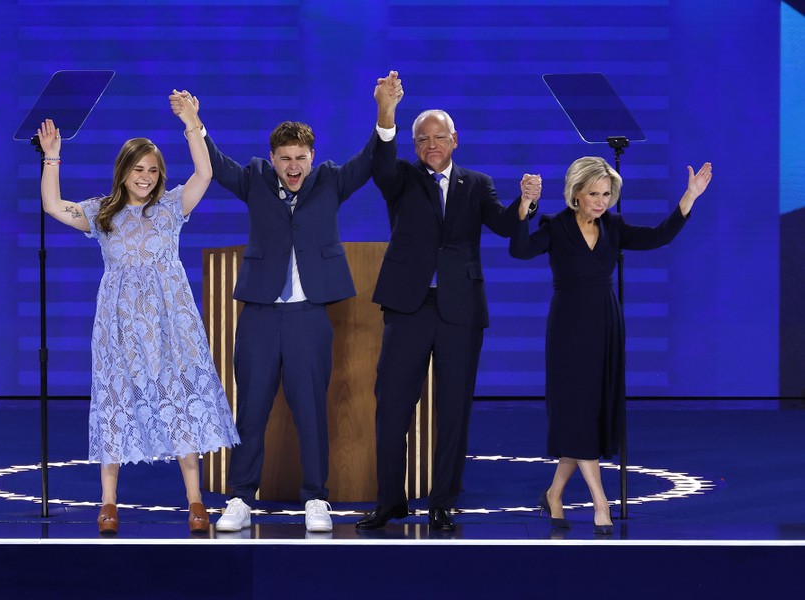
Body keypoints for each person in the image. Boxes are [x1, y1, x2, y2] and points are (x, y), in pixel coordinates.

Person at [170, 75, 399, 533]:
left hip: (308, 316)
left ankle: (316, 498)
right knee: (251, 408)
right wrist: (194, 122)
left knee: (311, 409)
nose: (293, 166)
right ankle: (239, 497)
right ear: (273, 158)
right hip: (258, 314)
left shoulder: (331, 180)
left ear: (311, 159)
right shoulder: (255, 178)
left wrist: (385, 112)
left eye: (300, 158)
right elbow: (216, 163)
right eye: (285, 158)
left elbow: (374, 160)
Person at [37, 90, 240, 535]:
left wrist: (192, 124)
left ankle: (196, 502)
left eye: (152, 170)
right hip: (119, 325)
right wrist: (52, 157)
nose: (145, 177)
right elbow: (53, 206)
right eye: (138, 169)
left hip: (172, 324)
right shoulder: (103, 213)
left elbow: (205, 172)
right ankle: (108, 504)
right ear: (123, 172)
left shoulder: (172, 208)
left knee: (179, 402)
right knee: (116, 403)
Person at [356, 74, 540, 531]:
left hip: (460, 310)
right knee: (392, 405)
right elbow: (381, 160)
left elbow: (502, 223)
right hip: (409, 306)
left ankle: (442, 502)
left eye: (440, 137)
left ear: (455, 140)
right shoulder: (400, 178)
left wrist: (525, 206)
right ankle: (391, 501)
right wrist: (387, 110)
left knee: (454, 409)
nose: (431, 144)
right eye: (423, 139)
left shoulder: (476, 184)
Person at [509, 156, 713, 533]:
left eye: (606, 194)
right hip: (569, 330)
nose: (601, 202)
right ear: (576, 194)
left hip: (606, 325)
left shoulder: (614, 227)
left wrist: (690, 196)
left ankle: (555, 494)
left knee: (587, 416)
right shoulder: (555, 228)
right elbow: (519, 251)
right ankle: (600, 504)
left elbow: (658, 237)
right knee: (577, 412)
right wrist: (523, 207)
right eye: (593, 194)